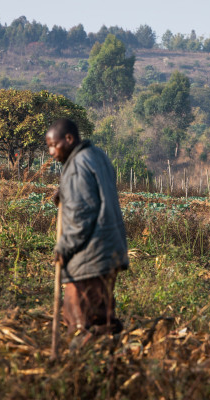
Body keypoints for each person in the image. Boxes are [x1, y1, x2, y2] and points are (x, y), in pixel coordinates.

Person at [46, 118, 128, 338]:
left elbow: (80, 219)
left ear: (69, 139)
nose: (52, 152)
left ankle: (80, 368)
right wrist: (65, 191)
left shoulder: (75, 167)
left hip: (90, 258)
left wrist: (63, 247)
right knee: (102, 318)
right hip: (110, 252)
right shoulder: (96, 156)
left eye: (54, 145)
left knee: (80, 322)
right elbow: (93, 193)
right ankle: (109, 364)